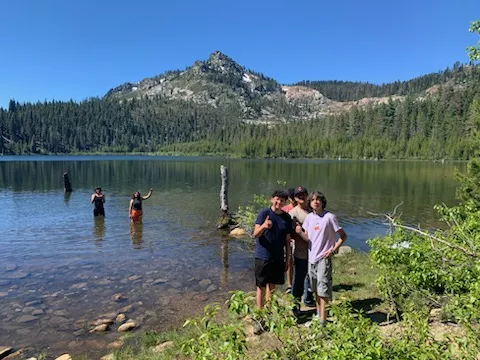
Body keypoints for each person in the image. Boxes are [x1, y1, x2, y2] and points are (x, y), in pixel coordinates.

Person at [296, 191, 347, 326]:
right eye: (313, 199)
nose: (316, 202)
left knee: (323, 289)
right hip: (311, 258)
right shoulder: (309, 218)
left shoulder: (329, 217)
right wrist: (300, 232)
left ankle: (322, 322)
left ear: (322, 202)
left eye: (318, 199)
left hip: (323, 259)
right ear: (310, 202)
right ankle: (319, 315)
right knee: (315, 289)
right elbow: (308, 238)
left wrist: (333, 249)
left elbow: (343, 236)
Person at [253, 190, 292, 333]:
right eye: (277, 200)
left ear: (285, 203)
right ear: (271, 199)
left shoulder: (286, 218)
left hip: (277, 257)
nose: (279, 203)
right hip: (262, 256)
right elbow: (255, 234)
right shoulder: (264, 213)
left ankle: (269, 314)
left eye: (282, 201)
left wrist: (288, 258)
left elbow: (288, 241)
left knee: (272, 287)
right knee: (260, 287)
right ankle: (259, 318)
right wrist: (263, 226)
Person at [288, 186, 315, 311]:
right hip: (300, 252)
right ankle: (295, 306)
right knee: (298, 279)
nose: (302, 197)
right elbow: (290, 233)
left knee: (312, 278)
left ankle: (309, 300)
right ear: (295, 198)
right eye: (299, 196)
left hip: (314, 252)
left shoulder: (312, 210)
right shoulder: (293, 213)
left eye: (304, 194)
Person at [282, 187, 296, 293]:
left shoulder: (304, 208)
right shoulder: (285, 209)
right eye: (291, 198)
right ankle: (289, 284)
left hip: (299, 240)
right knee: (289, 261)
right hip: (289, 240)